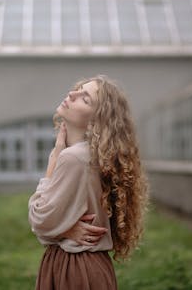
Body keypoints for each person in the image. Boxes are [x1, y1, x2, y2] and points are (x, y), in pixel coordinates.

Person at [28, 75, 149, 290]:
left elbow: (39, 219)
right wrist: (63, 229)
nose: (72, 94)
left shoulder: (72, 158)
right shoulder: (98, 157)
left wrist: (52, 162)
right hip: (95, 267)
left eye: (85, 99)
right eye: (78, 90)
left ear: (96, 120)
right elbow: (49, 224)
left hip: (73, 269)